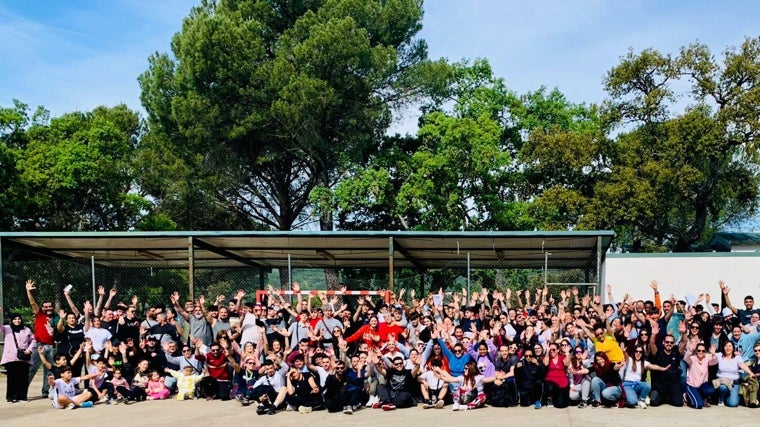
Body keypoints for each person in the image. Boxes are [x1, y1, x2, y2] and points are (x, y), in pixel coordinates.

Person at [25, 279, 59, 398]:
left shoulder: (56, 317)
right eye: (45, 307)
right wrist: (28, 291)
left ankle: (45, 391)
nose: (48, 308)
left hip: (51, 346)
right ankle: (22, 391)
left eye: (50, 307)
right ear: (42, 308)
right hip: (38, 345)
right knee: (31, 368)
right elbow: (33, 304)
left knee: (48, 370)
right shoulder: (40, 314)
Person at [1, 308, 36, 403]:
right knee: (12, 378)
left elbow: (33, 340)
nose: (17, 321)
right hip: (11, 357)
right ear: (12, 320)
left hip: (24, 357)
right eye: (15, 319)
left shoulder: (26, 329)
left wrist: (29, 349)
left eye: (19, 319)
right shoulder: (7, 328)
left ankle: (22, 396)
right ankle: (11, 397)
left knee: (23, 378)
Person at [714, 341, 755, 407]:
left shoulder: (737, 357)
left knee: (733, 404)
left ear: (733, 348)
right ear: (723, 347)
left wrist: (750, 373)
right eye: (726, 346)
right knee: (723, 388)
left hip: (734, 382)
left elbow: (743, 365)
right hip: (722, 382)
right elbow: (708, 356)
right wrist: (712, 353)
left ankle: (728, 397)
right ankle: (721, 398)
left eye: (730, 346)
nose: (728, 348)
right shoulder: (719, 355)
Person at [683, 342, 717, 409]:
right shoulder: (692, 358)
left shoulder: (707, 358)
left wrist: (713, 354)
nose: (701, 352)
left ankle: (701, 397)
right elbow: (686, 358)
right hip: (692, 385)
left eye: (703, 351)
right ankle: (686, 397)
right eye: (699, 350)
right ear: (696, 351)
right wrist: (690, 350)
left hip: (702, 386)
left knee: (710, 390)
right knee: (698, 405)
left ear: (705, 352)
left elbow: (714, 362)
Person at [542, 341, 570, 408]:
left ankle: (558, 398)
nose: (552, 351)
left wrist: (567, 353)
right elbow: (545, 363)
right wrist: (547, 352)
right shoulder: (548, 358)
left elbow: (567, 364)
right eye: (550, 350)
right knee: (550, 387)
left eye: (553, 349)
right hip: (551, 382)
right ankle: (549, 399)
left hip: (562, 382)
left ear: (558, 350)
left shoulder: (562, 357)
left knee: (560, 405)